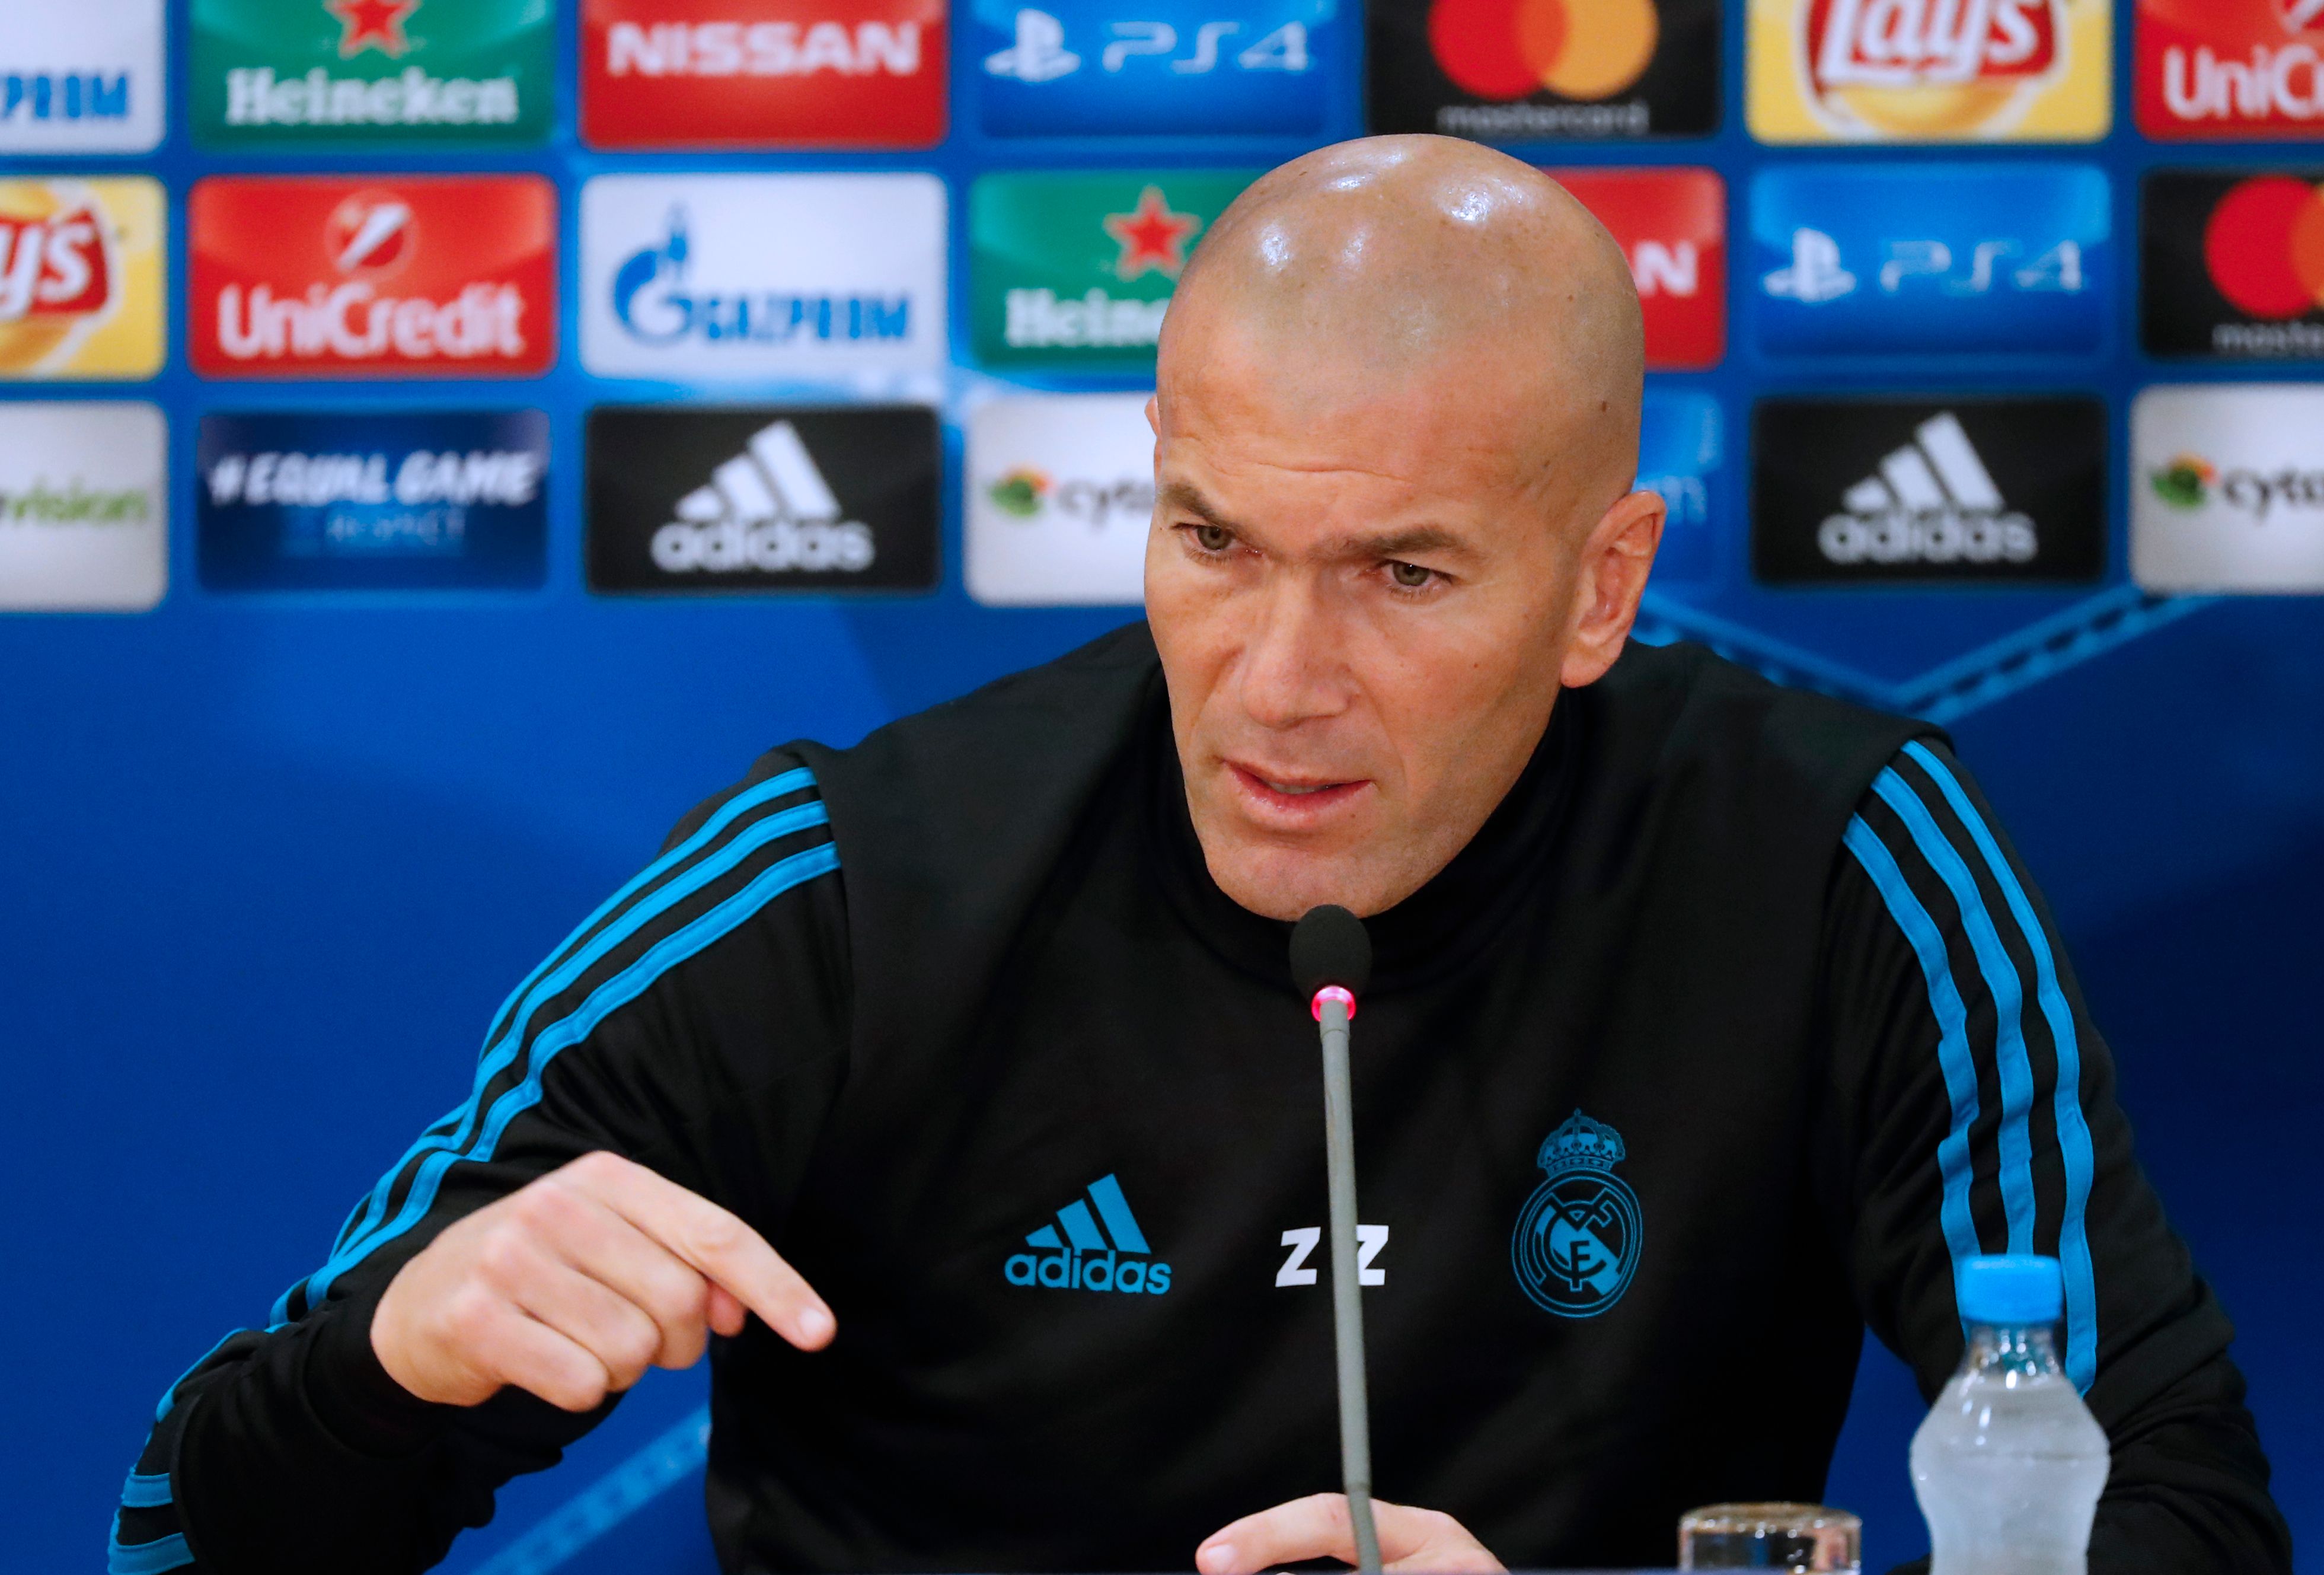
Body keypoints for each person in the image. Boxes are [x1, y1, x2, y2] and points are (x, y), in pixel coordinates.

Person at [113, 137, 2288, 1575]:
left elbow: (2178, 1508)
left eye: (1408, 577)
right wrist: (405, 1354)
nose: (1276, 682)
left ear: (1604, 588)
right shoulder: (834, 889)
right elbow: (180, 1529)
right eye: (1215, 543)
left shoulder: (1845, 860)